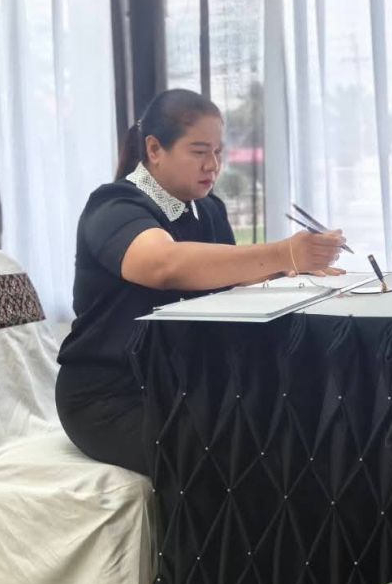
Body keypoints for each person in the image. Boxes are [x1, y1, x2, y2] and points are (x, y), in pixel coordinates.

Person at [56, 89, 345, 475]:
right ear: (154, 149)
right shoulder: (114, 205)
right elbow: (164, 265)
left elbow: (221, 281)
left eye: (218, 152)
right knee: (241, 455)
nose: (213, 165)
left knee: (304, 419)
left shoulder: (208, 209)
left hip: (186, 386)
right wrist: (282, 254)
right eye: (198, 151)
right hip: (111, 396)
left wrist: (290, 268)